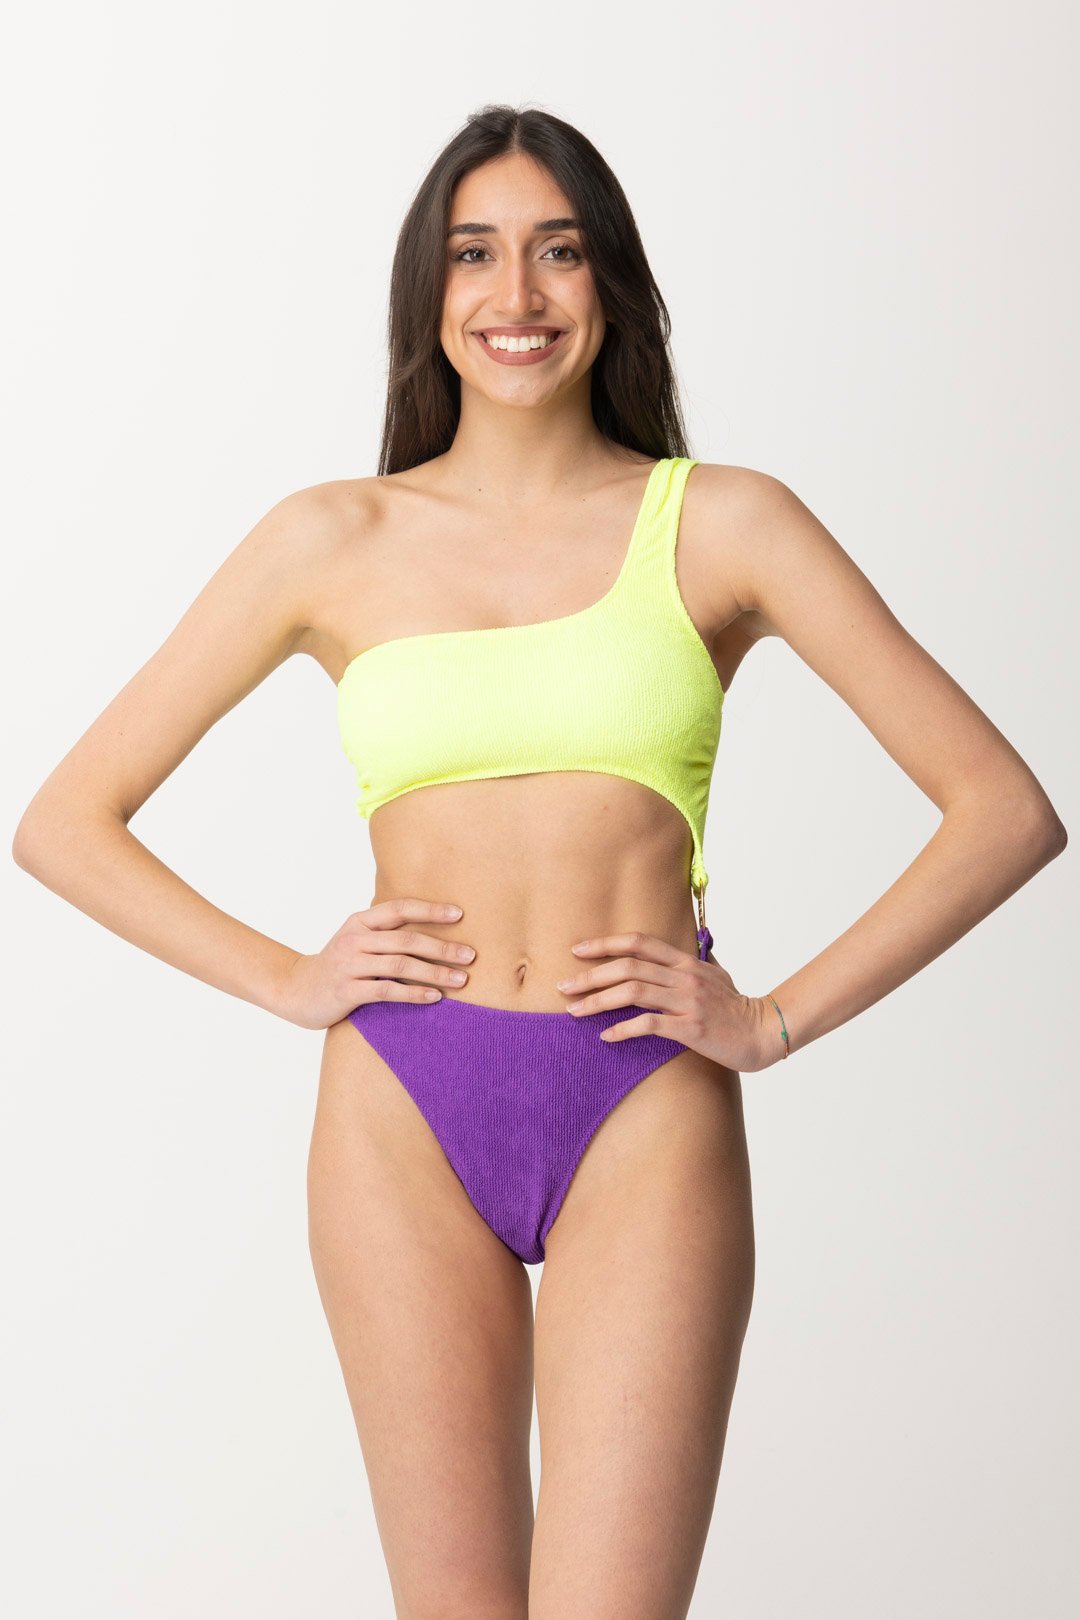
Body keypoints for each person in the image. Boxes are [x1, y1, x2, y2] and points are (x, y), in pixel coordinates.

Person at [11, 102, 1067, 1620]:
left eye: (559, 251)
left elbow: (1002, 808)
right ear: (428, 294)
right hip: (400, 1104)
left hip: (641, 1095)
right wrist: (290, 978)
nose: (517, 295)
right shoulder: (329, 538)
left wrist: (773, 1020)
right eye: (475, 254)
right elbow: (64, 821)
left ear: (611, 282)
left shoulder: (723, 523)